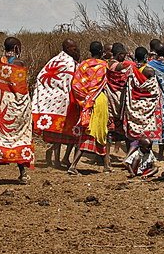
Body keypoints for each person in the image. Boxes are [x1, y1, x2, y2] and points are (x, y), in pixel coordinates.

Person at [0, 37, 34, 187]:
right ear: (17, 48)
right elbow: (22, 90)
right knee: (17, 138)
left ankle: (23, 173)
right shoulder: (19, 64)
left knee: (8, 140)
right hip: (15, 110)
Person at [32, 39, 79, 167]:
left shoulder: (56, 60)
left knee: (72, 133)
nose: (76, 50)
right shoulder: (66, 62)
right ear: (67, 49)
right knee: (58, 133)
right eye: (74, 48)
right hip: (62, 102)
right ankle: (57, 159)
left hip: (64, 101)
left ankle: (64, 158)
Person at [67, 41, 110, 175]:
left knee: (95, 130)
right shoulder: (104, 66)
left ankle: (107, 165)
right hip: (99, 100)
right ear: (102, 52)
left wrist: (85, 99)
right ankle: (73, 165)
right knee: (96, 131)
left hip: (87, 102)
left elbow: (75, 85)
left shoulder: (83, 65)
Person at [124, 56, 163, 143]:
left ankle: (131, 149)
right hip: (148, 103)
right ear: (146, 57)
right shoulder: (149, 71)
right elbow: (154, 90)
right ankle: (147, 149)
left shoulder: (131, 70)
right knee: (149, 128)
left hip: (134, 102)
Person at [105, 43, 132, 148]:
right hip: (116, 97)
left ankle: (106, 159)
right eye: (123, 54)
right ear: (119, 54)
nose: (124, 57)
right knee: (119, 131)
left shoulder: (107, 63)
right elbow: (129, 65)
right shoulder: (115, 65)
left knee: (110, 130)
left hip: (111, 96)